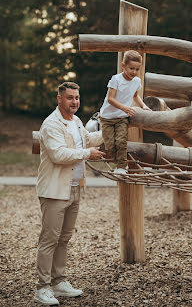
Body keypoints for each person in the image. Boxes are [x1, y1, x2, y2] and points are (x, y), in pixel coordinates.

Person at [34, 82, 105, 305]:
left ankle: (59, 282)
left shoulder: (76, 121)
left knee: (64, 239)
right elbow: (58, 154)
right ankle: (42, 288)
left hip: (74, 189)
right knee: (49, 240)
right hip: (55, 191)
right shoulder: (51, 124)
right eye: (69, 98)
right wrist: (87, 154)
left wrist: (110, 128)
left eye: (77, 97)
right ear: (59, 99)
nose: (74, 101)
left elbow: (89, 140)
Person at [99, 50, 151, 174]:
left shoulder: (137, 81)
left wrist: (143, 106)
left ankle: (122, 167)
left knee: (121, 141)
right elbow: (110, 99)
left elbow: (135, 96)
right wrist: (124, 108)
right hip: (107, 117)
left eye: (137, 69)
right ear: (123, 66)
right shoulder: (116, 79)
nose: (134, 72)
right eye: (131, 68)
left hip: (122, 117)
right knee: (110, 146)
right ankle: (118, 164)